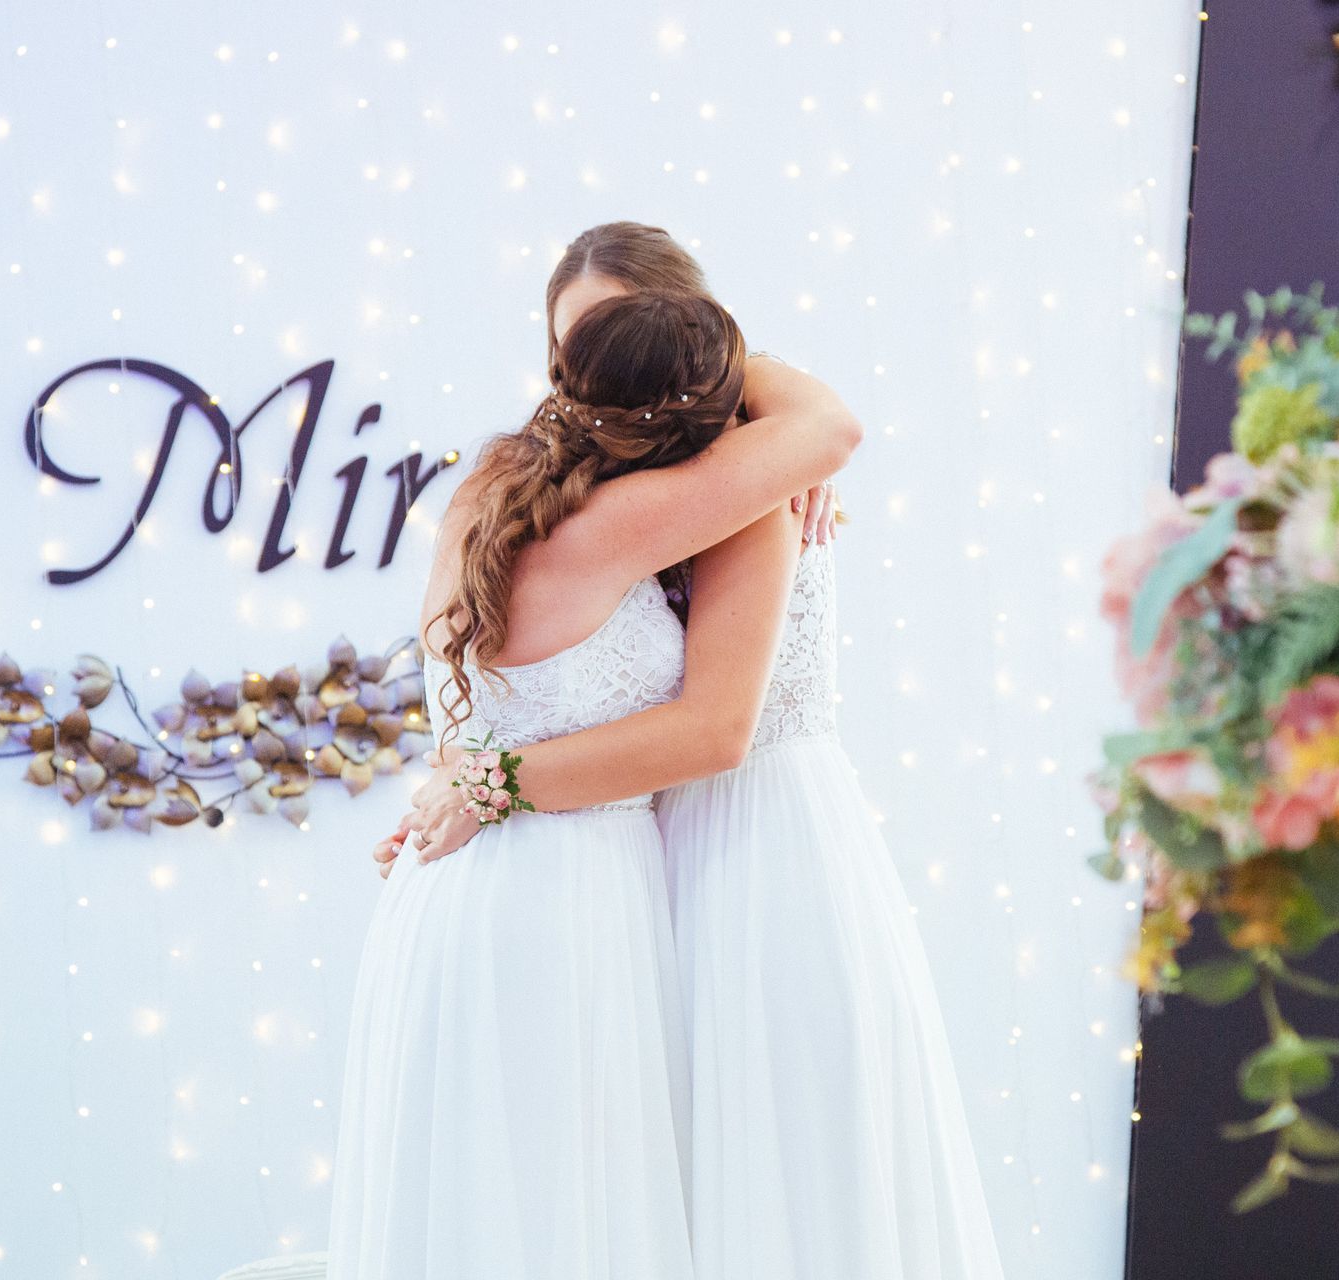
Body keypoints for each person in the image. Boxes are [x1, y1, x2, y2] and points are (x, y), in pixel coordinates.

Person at [382, 224, 1005, 1280]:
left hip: (756, 856)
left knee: (771, 1191)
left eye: (614, 338)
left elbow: (713, 726)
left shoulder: (737, 486)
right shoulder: (568, 491)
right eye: (570, 346)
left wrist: (487, 780)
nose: (583, 376)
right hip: (622, 864)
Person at [327, 283, 862, 1280]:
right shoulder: (640, 518)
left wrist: (473, 785)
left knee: (475, 1214)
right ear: (691, 424)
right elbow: (830, 427)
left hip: (446, 900)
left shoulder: (484, 491)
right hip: (567, 894)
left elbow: (467, 725)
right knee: (570, 1217)